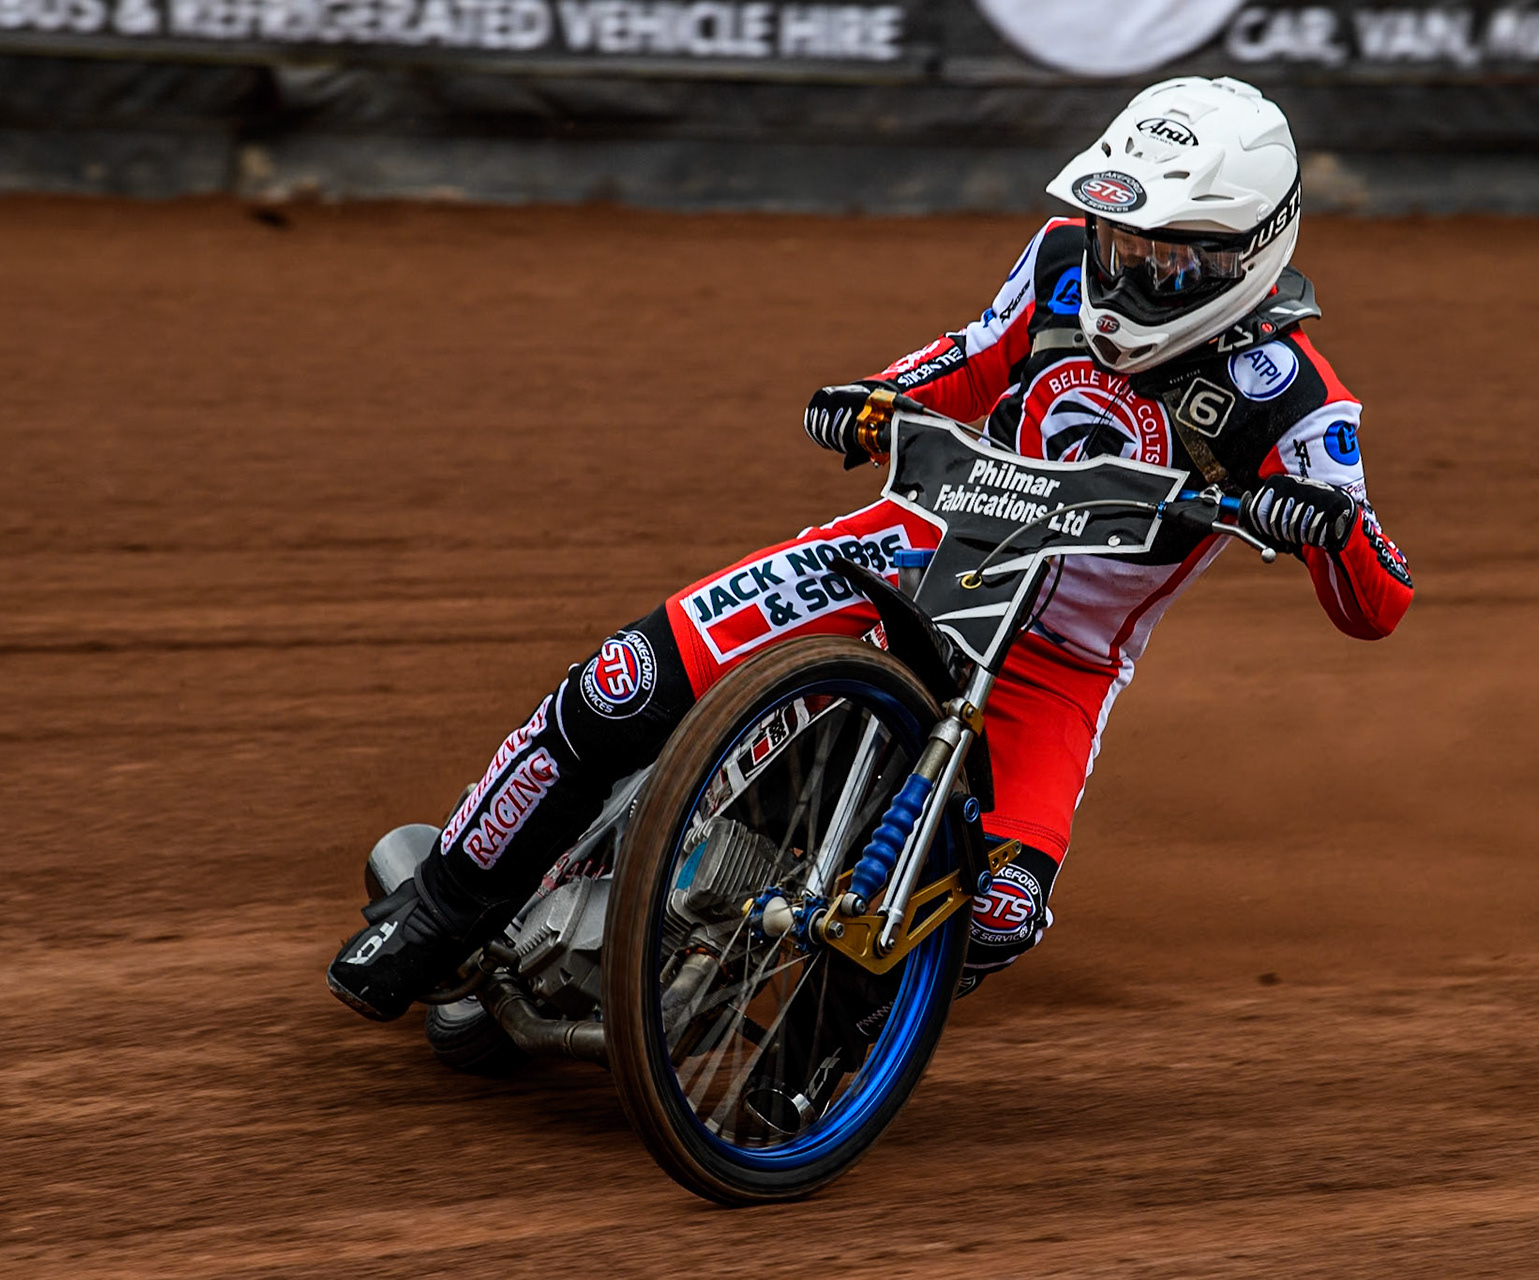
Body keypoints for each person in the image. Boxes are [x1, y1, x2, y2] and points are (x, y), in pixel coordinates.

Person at [327, 75, 1413, 1022]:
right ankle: (436, 911)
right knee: (625, 681)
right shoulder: (1063, 257)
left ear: (1249, 254)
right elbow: (973, 358)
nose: (1126, 277)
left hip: (1054, 669)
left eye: (1168, 261)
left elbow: (1380, 602)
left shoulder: (1299, 400)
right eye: (1121, 240)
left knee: (995, 914)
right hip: (910, 548)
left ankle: (813, 1054)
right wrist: (882, 395)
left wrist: (1323, 518)